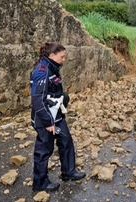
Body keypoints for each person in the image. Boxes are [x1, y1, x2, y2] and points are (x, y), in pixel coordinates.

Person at [30, 42, 85, 192]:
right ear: (52, 55)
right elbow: (37, 99)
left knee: (66, 140)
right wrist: (48, 122)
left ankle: (68, 172)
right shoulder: (42, 71)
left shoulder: (52, 67)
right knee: (44, 150)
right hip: (45, 119)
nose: (64, 59)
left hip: (56, 115)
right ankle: (40, 183)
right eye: (62, 56)